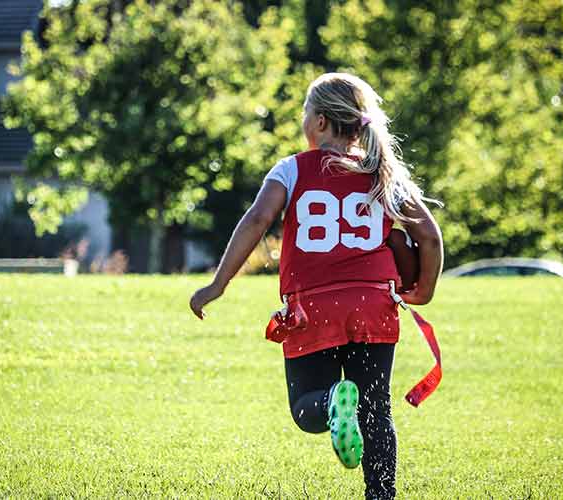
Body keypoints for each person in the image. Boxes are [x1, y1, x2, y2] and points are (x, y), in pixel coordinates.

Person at [189, 72, 443, 499]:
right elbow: (430, 237)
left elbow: (257, 220)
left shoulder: (291, 169)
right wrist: (425, 290)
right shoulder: (382, 172)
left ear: (320, 121)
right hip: (372, 304)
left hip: (313, 307)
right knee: (376, 411)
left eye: (305, 113)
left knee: (307, 405)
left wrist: (218, 284)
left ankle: (331, 401)